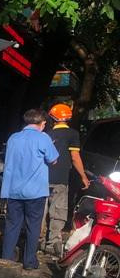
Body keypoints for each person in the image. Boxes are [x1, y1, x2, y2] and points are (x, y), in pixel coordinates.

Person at [0, 109, 59, 270]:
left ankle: (6, 259)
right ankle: (29, 261)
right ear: (42, 123)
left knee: (12, 225)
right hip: (35, 192)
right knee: (33, 226)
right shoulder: (43, 138)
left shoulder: (13, 138)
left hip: (13, 190)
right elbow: (53, 160)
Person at [45, 103, 89, 256]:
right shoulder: (73, 134)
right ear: (68, 118)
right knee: (57, 211)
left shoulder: (47, 133)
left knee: (41, 211)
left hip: (42, 178)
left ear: (52, 118)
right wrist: (83, 176)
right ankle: (52, 243)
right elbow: (75, 157)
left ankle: (36, 240)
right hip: (60, 179)